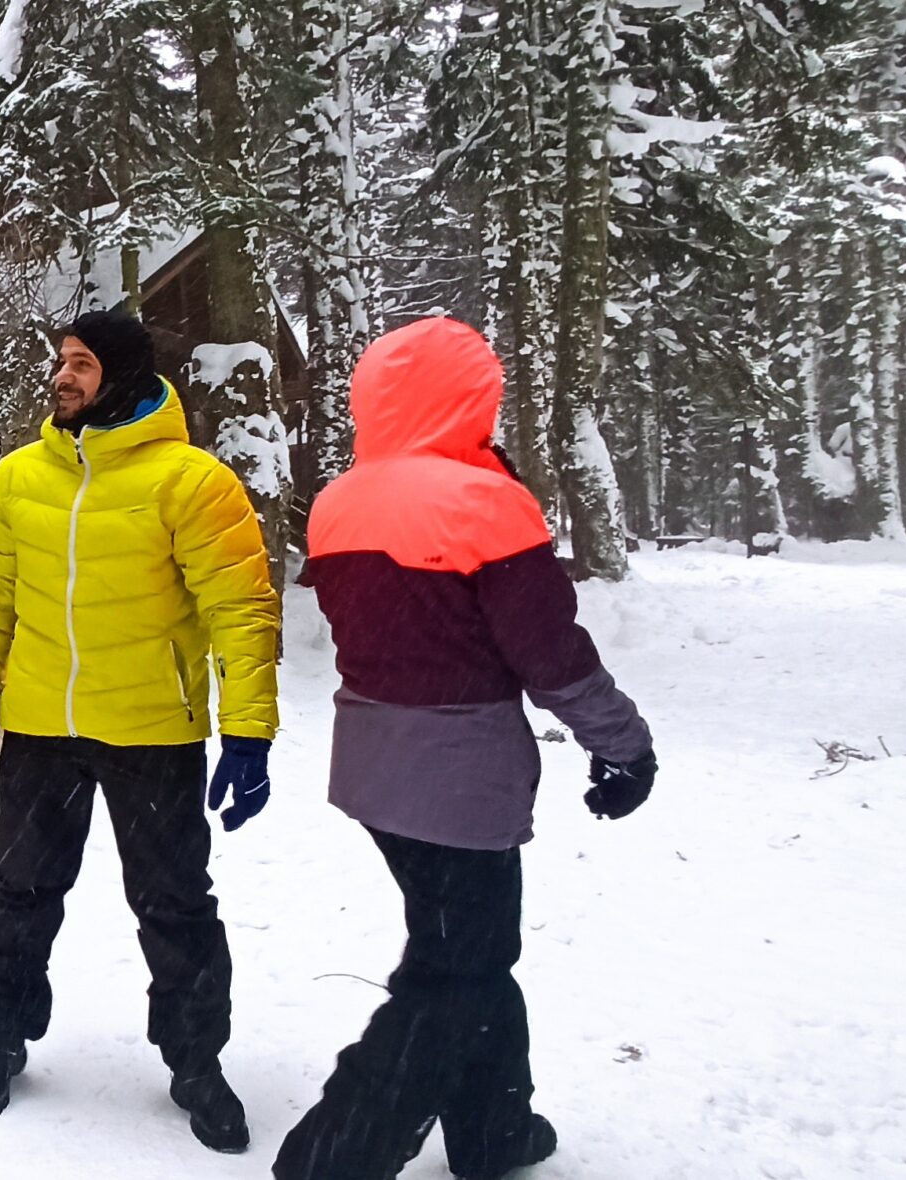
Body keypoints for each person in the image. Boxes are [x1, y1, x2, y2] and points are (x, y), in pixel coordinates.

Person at [271, 317, 658, 1180]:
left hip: (373, 767)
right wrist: (624, 746)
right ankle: (330, 1159)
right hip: (460, 777)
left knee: (470, 955)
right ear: (472, 398)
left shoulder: (338, 504)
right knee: (455, 972)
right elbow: (551, 658)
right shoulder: (484, 501)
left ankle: (494, 1133)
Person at [0, 306, 283, 1154]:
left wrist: (247, 733)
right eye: (62, 360)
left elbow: (242, 612)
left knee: (174, 904)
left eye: (83, 363)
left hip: (151, 732)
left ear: (124, 376)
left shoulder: (192, 481)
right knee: (16, 894)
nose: (64, 375)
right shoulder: (22, 476)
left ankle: (196, 1062)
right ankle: (1, 1033)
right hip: (40, 727)